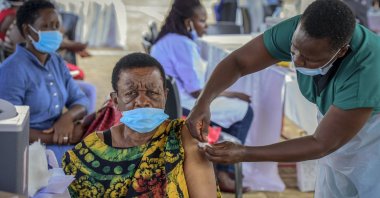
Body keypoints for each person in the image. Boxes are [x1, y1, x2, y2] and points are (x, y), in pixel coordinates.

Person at [186, 0, 380, 197]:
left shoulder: (366, 71)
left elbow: (321, 143)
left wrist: (244, 153)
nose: (297, 61)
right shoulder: (301, 30)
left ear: (341, 52)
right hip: (336, 127)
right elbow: (238, 62)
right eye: (294, 50)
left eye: (309, 58)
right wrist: (203, 102)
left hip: (373, 135)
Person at [62, 53, 220, 198]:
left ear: (164, 96)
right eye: (131, 93)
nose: (143, 101)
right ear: (116, 100)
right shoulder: (89, 152)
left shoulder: (183, 138)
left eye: (152, 92)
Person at [150, 0, 253, 192]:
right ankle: (224, 171)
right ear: (188, 22)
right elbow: (197, 91)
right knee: (245, 110)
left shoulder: (168, 39)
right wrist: (233, 93)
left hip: (169, 104)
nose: (205, 26)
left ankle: (216, 164)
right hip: (184, 105)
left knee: (231, 109)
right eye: (202, 21)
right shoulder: (183, 44)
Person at [0, 0, 89, 163]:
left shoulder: (56, 60)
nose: (54, 32)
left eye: (56, 26)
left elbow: (81, 100)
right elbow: (9, 128)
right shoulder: (12, 70)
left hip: (61, 140)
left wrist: (67, 118)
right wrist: (58, 137)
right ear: (28, 30)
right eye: (46, 26)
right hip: (29, 150)